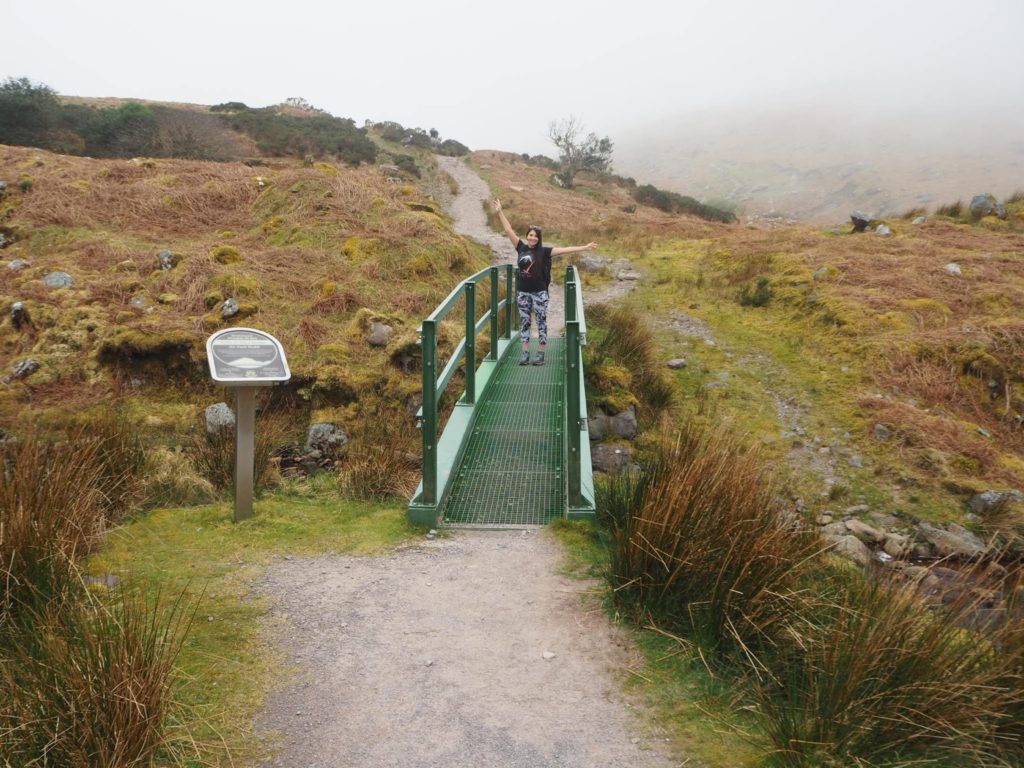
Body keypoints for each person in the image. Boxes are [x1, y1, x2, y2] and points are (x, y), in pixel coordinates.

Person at [492, 199, 597, 365]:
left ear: (539, 238)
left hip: (540, 293)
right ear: (527, 236)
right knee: (525, 322)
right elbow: (508, 229)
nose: (532, 238)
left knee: (541, 321)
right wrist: (500, 212)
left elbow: (566, 249)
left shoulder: (545, 251)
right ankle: (525, 354)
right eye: (530, 235)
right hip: (523, 292)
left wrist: (584, 247)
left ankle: (540, 355)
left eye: (535, 236)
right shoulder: (521, 247)